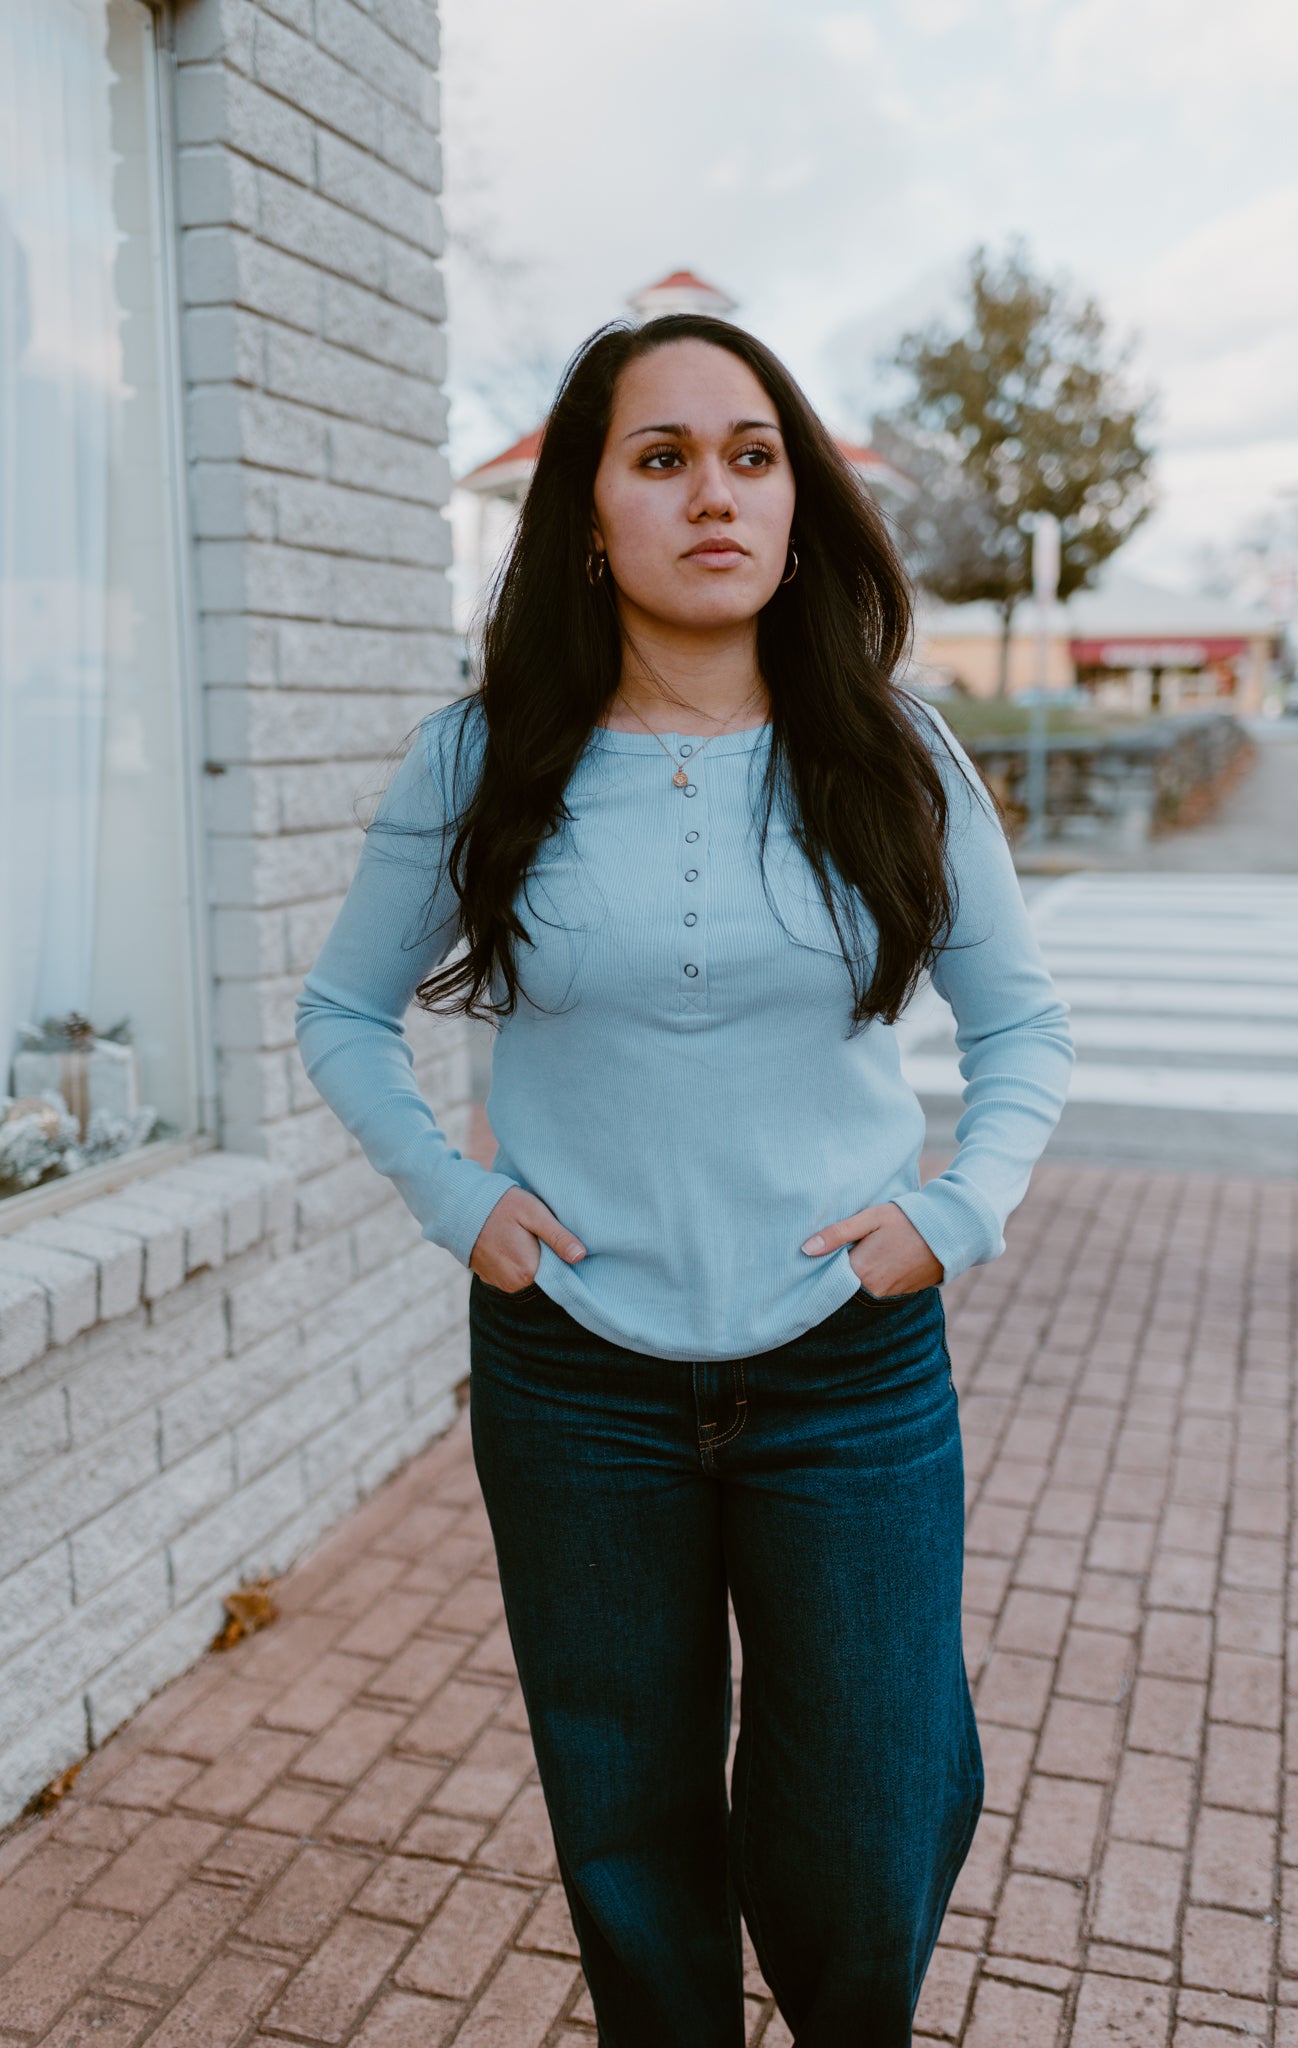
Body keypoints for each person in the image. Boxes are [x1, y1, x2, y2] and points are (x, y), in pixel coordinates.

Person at [295, 313, 1075, 2046]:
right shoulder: (481, 758)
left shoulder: (899, 757)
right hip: (578, 1378)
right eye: (661, 459)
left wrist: (951, 1215)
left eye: (751, 454)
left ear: (797, 502)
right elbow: (342, 1012)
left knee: (874, 1827)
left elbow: (1024, 1035)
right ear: (589, 514)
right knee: (629, 1828)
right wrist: (460, 1202)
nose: (712, 494)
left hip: (849, 1374)